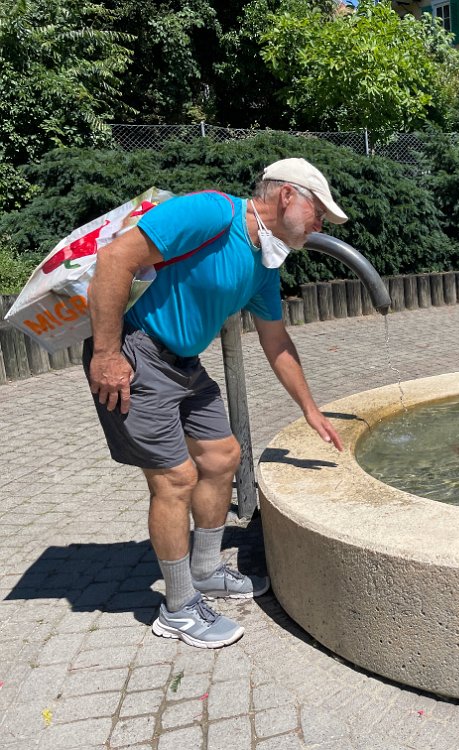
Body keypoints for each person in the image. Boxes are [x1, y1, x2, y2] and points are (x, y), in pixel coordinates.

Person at [85, 158, 348, 649]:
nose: (320, 225)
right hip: (135, 354)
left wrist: (310, 410)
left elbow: (277, 341)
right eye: (319, 213)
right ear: (287, 196)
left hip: (183, 364)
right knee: (175, 479)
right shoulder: (211, 213)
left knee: (224, 456)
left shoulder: (264, 265)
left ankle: (205, 572)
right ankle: (178, 608)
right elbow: (114, 260)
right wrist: (106, 353)